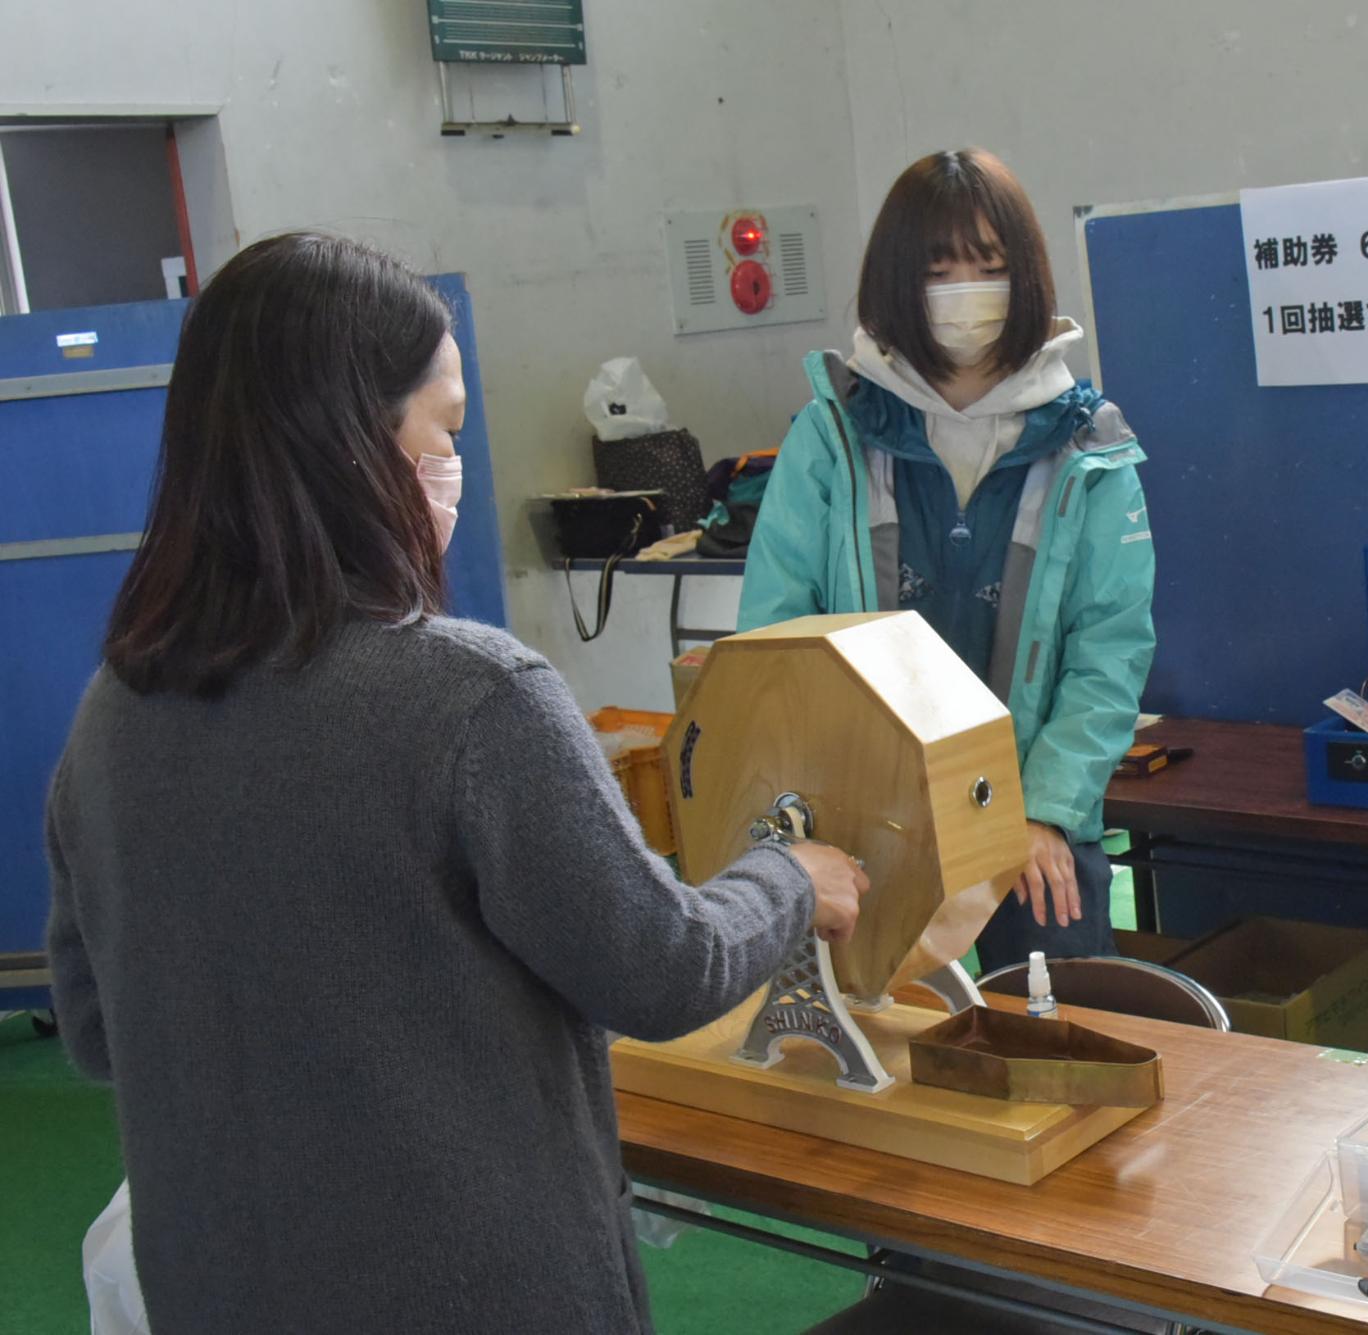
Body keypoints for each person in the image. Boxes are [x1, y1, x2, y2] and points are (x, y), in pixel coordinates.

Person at [44, 231, 870, 1335]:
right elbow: (659, 969)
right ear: (352, 443)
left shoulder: (115, 715)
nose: (453, 464)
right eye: (446, 428)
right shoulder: (472, 699)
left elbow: (98, 1033)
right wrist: (786, 876)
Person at [740, 148, 1156, 972]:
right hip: (865, 834)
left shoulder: (1089, 446)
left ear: (1026, 276)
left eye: (989, 267)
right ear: (899, 282)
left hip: (1030, 834)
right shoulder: (832, 437)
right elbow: (775, 645)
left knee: (1051, 1053)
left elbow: (1109, 651)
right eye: (940, 269)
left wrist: (1041, 812)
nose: (967, 291)